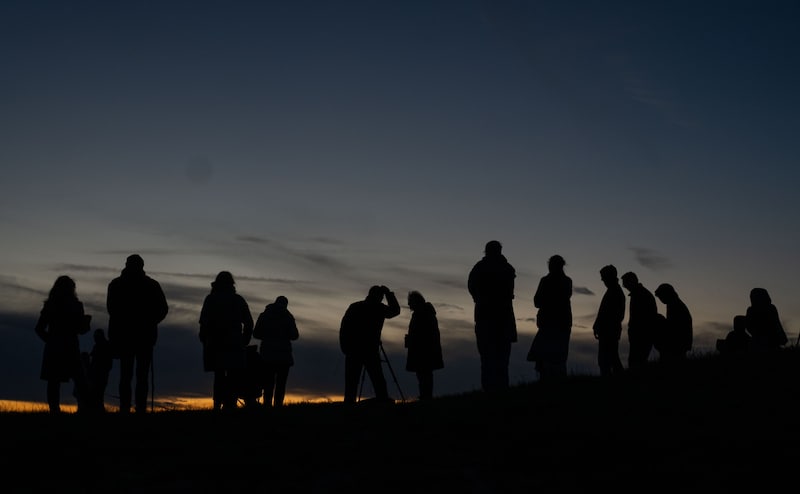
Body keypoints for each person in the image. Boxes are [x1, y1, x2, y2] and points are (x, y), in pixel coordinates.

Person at [107, 254, 169, 414]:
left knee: (127, 375)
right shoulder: (151, 285)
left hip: (128, 336)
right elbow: (163, 309)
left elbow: (112, 311)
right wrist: (151, 321)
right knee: (139, 375)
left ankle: (126, 408)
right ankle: (138, 408)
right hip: (142, 336)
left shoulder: (116, 284)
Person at [34, 275, 91, 414]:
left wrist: (51, 341)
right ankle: (86, 410)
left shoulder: (51, 305)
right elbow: (81, 330)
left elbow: (39, 329)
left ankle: (56, 411)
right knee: (78, 380)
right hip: (70, 346)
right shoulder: (75, 306)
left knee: (55, 381)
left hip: (57, 347)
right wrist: (84, 325)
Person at [199, 271, 254, 411]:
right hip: (234, 344)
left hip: (215, 344)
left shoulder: (210, 299)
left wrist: (204, 338)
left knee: (219, 376)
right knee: (233, 376)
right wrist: (245, 339)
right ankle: (231, 404)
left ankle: (217, 405)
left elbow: (204, 322)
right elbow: (248, 322)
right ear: (232, 284)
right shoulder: (238, 299)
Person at [467, 240, 517, 392]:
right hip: (501, 317)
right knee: (501, 358)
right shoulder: (507, 268)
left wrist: (478, 298)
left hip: (486, 316)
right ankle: (501, 388)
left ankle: (489, 389)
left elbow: (471, 286)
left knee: (488, 358)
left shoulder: (480, 268)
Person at [339, 285, 401, 403]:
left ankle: (349, 408)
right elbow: (395, 310)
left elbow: (344, 328)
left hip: (353, 350)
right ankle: (383, 405)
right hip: (369, 350)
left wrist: (345, 346)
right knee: (378, 380)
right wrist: (389, 294)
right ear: (379, 297)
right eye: (382, 297)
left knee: (352, 382)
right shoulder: (379, 308)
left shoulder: (355, 306)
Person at [528, 255, 573, 380]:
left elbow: (537, 301)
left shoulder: (546, 281)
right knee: (557, 356)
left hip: (550, 323)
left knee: (548, 356)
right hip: (561, 323)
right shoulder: (567, 281)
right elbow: (538, 301)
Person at [253, 295, 299, 407]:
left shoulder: (264, 315)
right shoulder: (288, 316)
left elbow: (256, 334)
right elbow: (295, 335)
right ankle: (278, 407)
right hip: (283, 357)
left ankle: (267, 407)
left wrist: (268, 336)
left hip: (267, 355)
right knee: (281, 384)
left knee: (268, 383)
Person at [404, 291, 444, 400]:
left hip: (423, 350)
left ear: (416, 302)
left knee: (424, 374)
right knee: (423, 375)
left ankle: (426, 396)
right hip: (423, 349)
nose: (409, 305)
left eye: (410, 302)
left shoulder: (423, 313)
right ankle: (425, 395)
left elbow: (424, 333)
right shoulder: (424, 313)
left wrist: (413, 339)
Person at [592, 265, 626, 377]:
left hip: (609, 332)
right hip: (607, 332)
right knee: (609, 359)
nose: (602, 280)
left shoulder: (615, 292)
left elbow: (616, 315)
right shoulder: (612, 291)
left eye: (603, 277)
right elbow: (603, 313)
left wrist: (602, 327)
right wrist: (597, 325)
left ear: (609, 276)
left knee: (609, 360)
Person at [620, 272, 658, 371]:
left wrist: (635, 331)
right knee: (636, 362)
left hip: (642, 335)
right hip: (639, 335)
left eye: (626, 284)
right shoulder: (639, 294)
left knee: (636, 363)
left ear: (632, 282)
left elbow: (646, 318)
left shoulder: (642, 295)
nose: (625, 286)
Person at [653, 283, 693, 364]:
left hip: (677, 343)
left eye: (661, 296)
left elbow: (674, 327)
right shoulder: (673, 304)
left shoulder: (675, 305)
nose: (661, 299)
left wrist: (660, 320)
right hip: (678, 343)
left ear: (666, 294)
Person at [745, 287, 788, 352]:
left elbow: (776, 324)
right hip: (763, 343)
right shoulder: (770, 308)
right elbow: (777, 324)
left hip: (767, 342)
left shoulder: (770, 309)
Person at [87, 328, 114, 413]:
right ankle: (98, 409)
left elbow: (108, 362)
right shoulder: (99, 346)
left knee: (98, 392)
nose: (95, 339)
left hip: (101, 373)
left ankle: (98, 410)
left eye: (96, 337)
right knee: (97, 393)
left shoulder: (104, 346)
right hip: (97, 373)